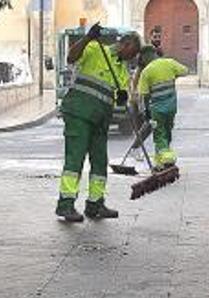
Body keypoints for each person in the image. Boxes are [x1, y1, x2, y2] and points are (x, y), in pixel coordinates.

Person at [56, 24, 141, 222]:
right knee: (75, 160)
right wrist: (87, 38)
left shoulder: (121, 70)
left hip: (100, 119)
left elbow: (120, 92)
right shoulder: (95, 49)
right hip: (79, 113)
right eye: (133, 52)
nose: (133, 57)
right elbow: (71, 57)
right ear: (124, 44)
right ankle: (65, 205)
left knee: (100, 162)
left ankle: (95, 204)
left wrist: (122, 96)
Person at [135, 45, 188, 170]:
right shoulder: (169, 63)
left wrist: (146, 112)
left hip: (157, 110)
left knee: (159, 135)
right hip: (171, 108)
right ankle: (159, 163)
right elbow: (185, 71)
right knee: (167, 133)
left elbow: (144, 96)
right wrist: (173, 75)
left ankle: (167, 160)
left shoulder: (146, 72)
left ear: (145, 56)